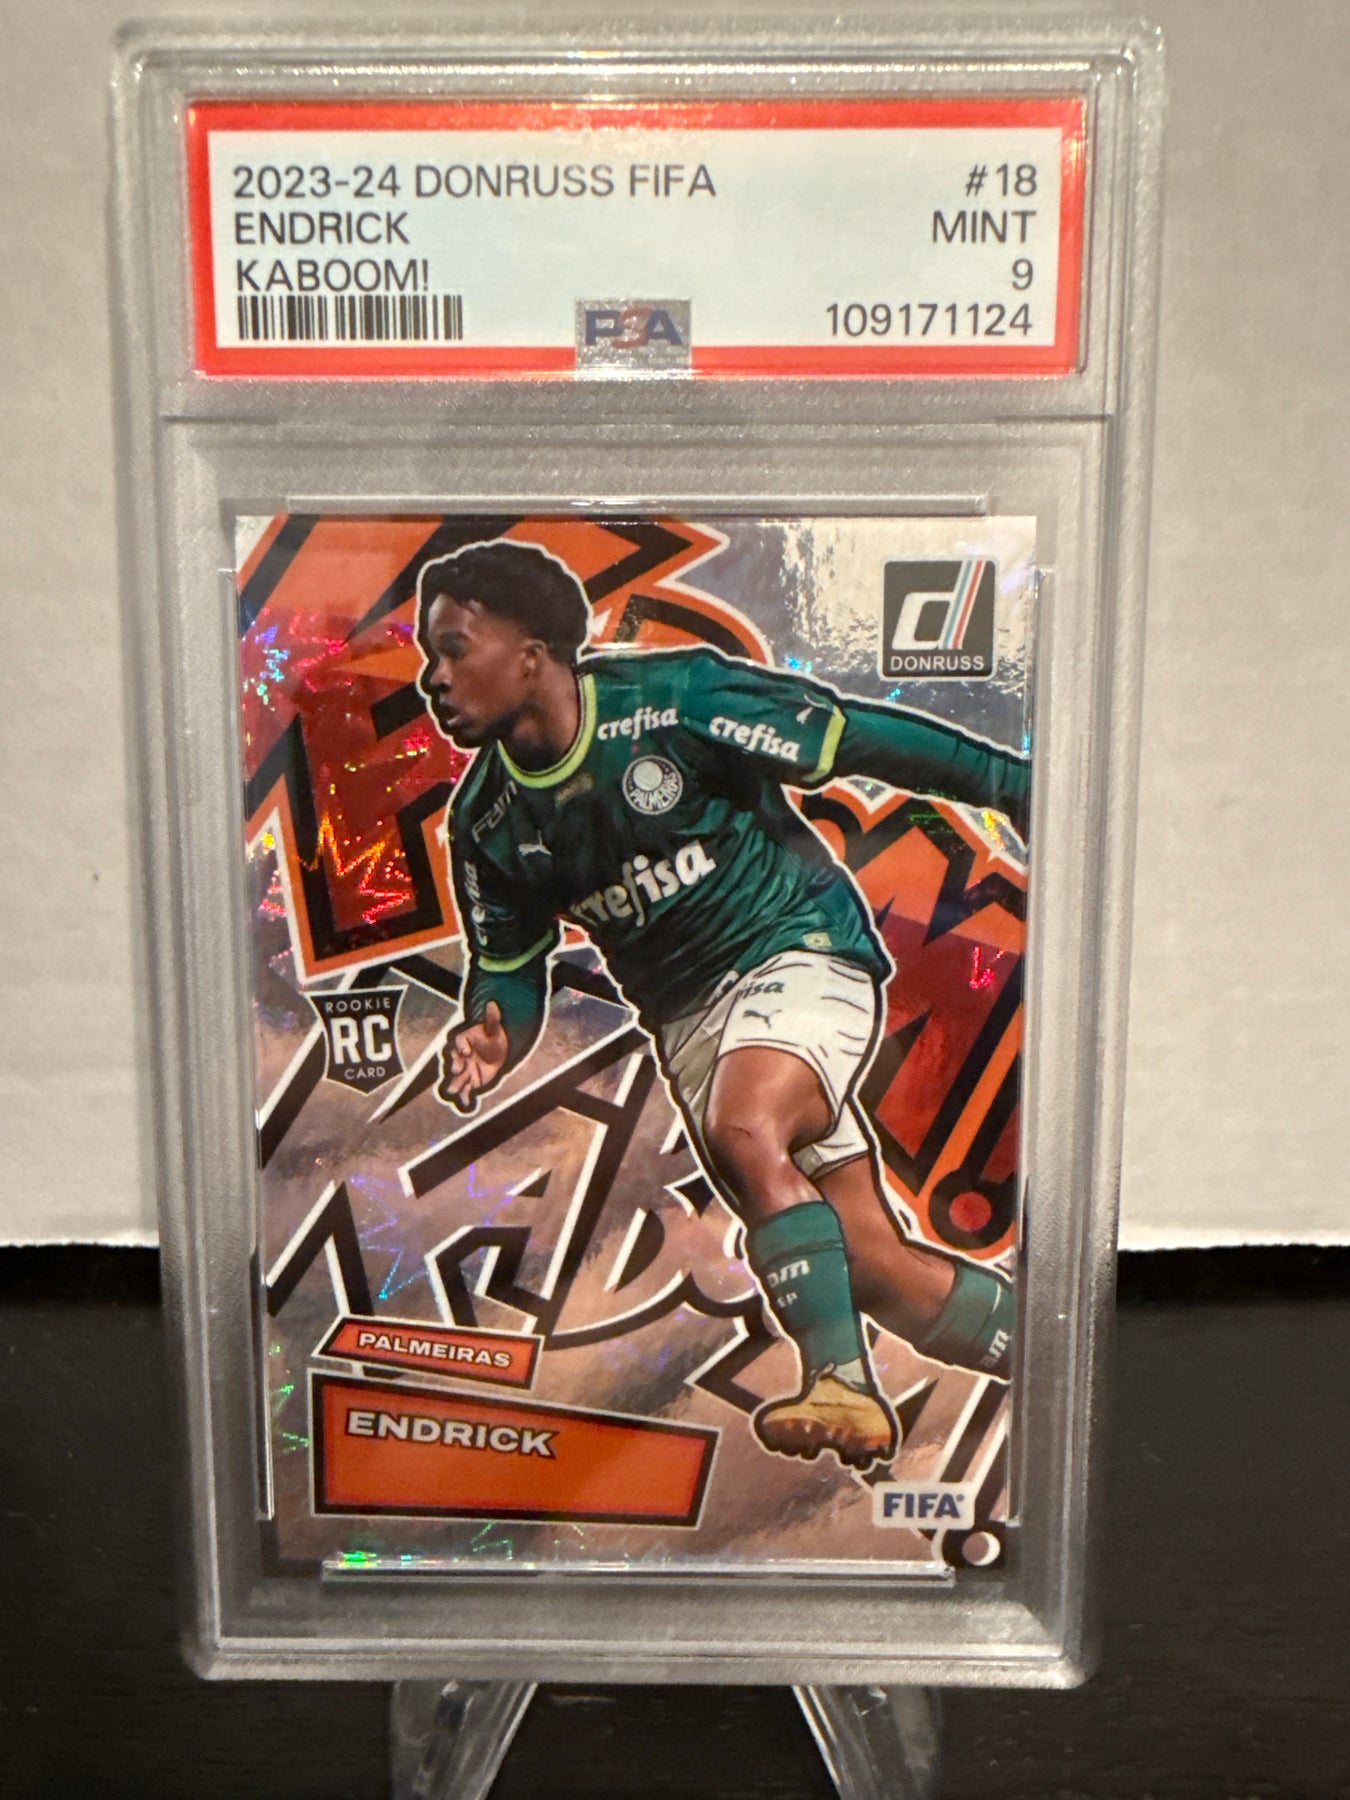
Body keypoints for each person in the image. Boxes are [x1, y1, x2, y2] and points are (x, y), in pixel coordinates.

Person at [417, 538, 1028, 1470]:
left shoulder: (677, 698)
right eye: (431, 656)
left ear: (532, 652)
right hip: (689, 1027)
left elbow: (849, 736)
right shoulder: (486, 822)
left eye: (455, 648)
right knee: (873, 1269)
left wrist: (1014, 786)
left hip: (797, 949)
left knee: (748, 1130)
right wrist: (496, 1029)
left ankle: (840, 1384)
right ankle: (1047, 1350)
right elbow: (510, 965)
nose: (433, 677)